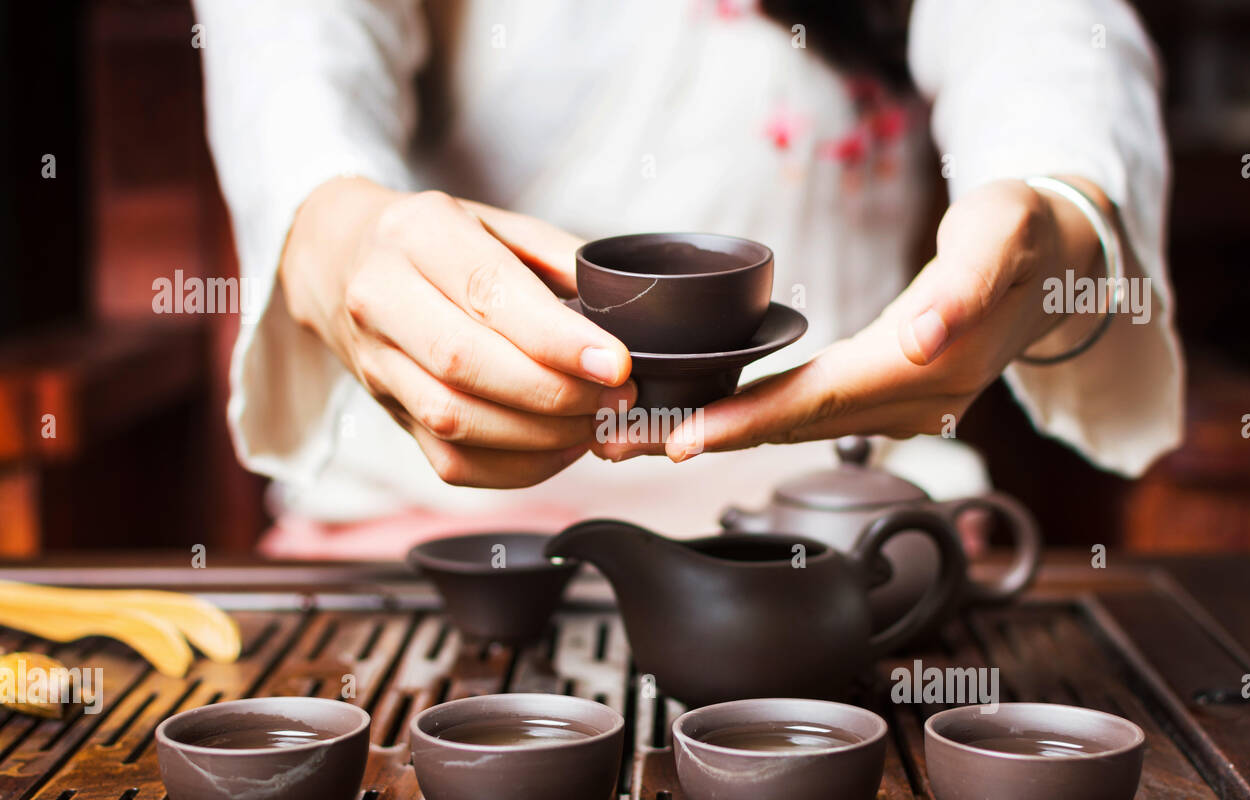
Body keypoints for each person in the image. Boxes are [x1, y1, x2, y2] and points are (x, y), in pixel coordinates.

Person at [195, 0, 1181, 557]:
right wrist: (330, 227)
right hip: (430, 533)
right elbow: (293, 69)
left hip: (840, 540)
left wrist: (1055, 213)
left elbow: (1050, 39)